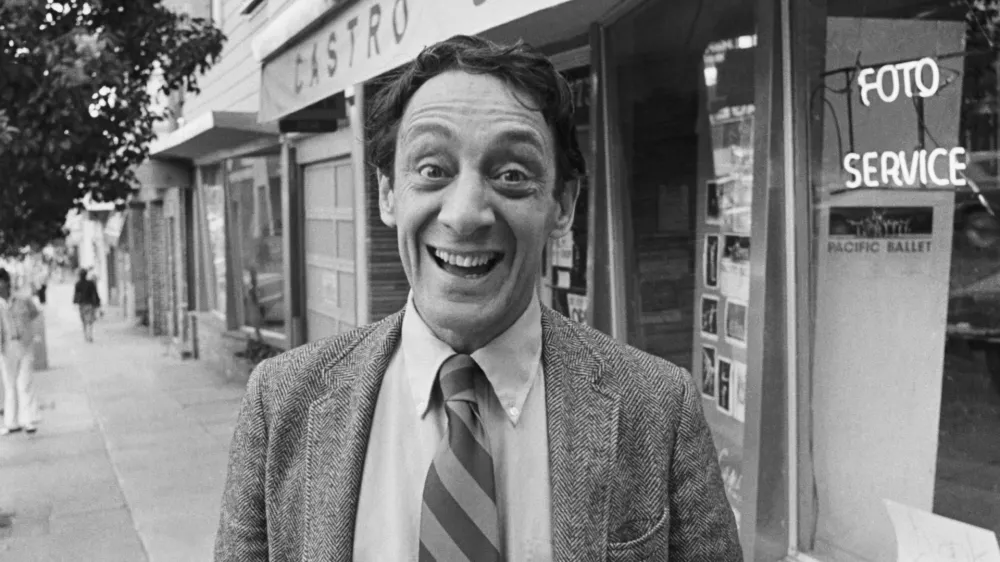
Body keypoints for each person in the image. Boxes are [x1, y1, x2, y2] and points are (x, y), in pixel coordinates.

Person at [215, 35, 741, 561]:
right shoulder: (282, 401)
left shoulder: (657, 409)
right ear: (386, 193)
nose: (465, 214)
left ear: (562, 204)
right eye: (432, 170)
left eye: (511, 175)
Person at [0, 268, 41, 435]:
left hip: (24, 344)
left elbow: (35, 315)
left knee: (25, 382)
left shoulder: (23, 300)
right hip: (6, 347)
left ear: (8, 283)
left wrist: (33, 336)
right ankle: (11, 422)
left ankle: (28, 419)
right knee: (9, 385)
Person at [72, 268, 100, 342]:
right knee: (90, 320)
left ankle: (85, 335)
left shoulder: (78, 284)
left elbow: (76, 295)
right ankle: (90, 334)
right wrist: (97, 302)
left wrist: (75, 302)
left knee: (84, 321)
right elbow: (95, 293)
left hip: (82, 304)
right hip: (90, 304)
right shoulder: (90, 283)